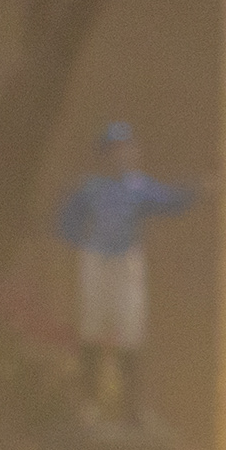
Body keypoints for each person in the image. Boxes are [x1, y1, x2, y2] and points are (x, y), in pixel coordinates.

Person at [54, 121, 197, 432]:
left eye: (128, 148)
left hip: (127, 263)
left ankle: (133, 409)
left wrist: (197, 191)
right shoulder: (90, 188)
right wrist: (77, 240)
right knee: (93, 329)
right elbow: (67, 220)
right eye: (116, 149)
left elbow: (169, 201)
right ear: (104, 155)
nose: (123, 155)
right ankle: (88, 406)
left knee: (130, 332)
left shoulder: (139, 186)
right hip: (95, 261)